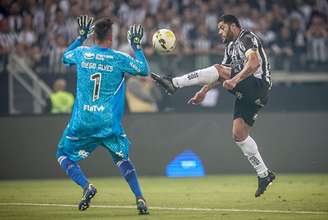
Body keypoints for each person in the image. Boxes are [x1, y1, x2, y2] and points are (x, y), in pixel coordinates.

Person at [151, 14, 275, 197]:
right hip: (249, 93)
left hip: (258, 85)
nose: (219, 32)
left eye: (222, 28)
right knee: (239, 134)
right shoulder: (230, 47)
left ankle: (174, 83)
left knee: (219, 69)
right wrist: (203, 91)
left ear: (233, 26)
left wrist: (235, 79)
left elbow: (254, 63)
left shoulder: (247, 38)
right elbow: (219, 74)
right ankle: (264, 174)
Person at [56, 15, 150, 214]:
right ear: (111, 37)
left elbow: (65, 56)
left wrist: (80, 38)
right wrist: (136, 46)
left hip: (82, 120)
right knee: (121, 158)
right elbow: (143, 70)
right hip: (108, 122)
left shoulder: (82, 53)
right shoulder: (119, 58)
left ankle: (86, 186)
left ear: (94, 36)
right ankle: (140, 198)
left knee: (63, 154)